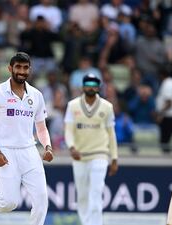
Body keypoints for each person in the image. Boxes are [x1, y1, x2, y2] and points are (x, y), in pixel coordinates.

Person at [0, 52, 54, 225]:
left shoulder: (36, 95)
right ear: (10, 68)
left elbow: (41, 128)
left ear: (30, 69)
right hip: (5, 151)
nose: (22, 71)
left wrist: (48, 147)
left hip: (29, 150)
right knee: (9, 202)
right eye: (18, 67)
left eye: (25, 67)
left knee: (42, 198)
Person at [64, 74, 118, 225]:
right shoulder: (72, 106)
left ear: (99, 87)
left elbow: (111, 133)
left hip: (99, 155)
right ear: (82, 86)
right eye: (87, 83)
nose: (91, 87)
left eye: (94, 84)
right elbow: (68, 130)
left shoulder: (107, 107)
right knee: (82, 196)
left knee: (95, 194)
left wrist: (114, 158)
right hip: (79, 156)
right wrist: (71, 147)